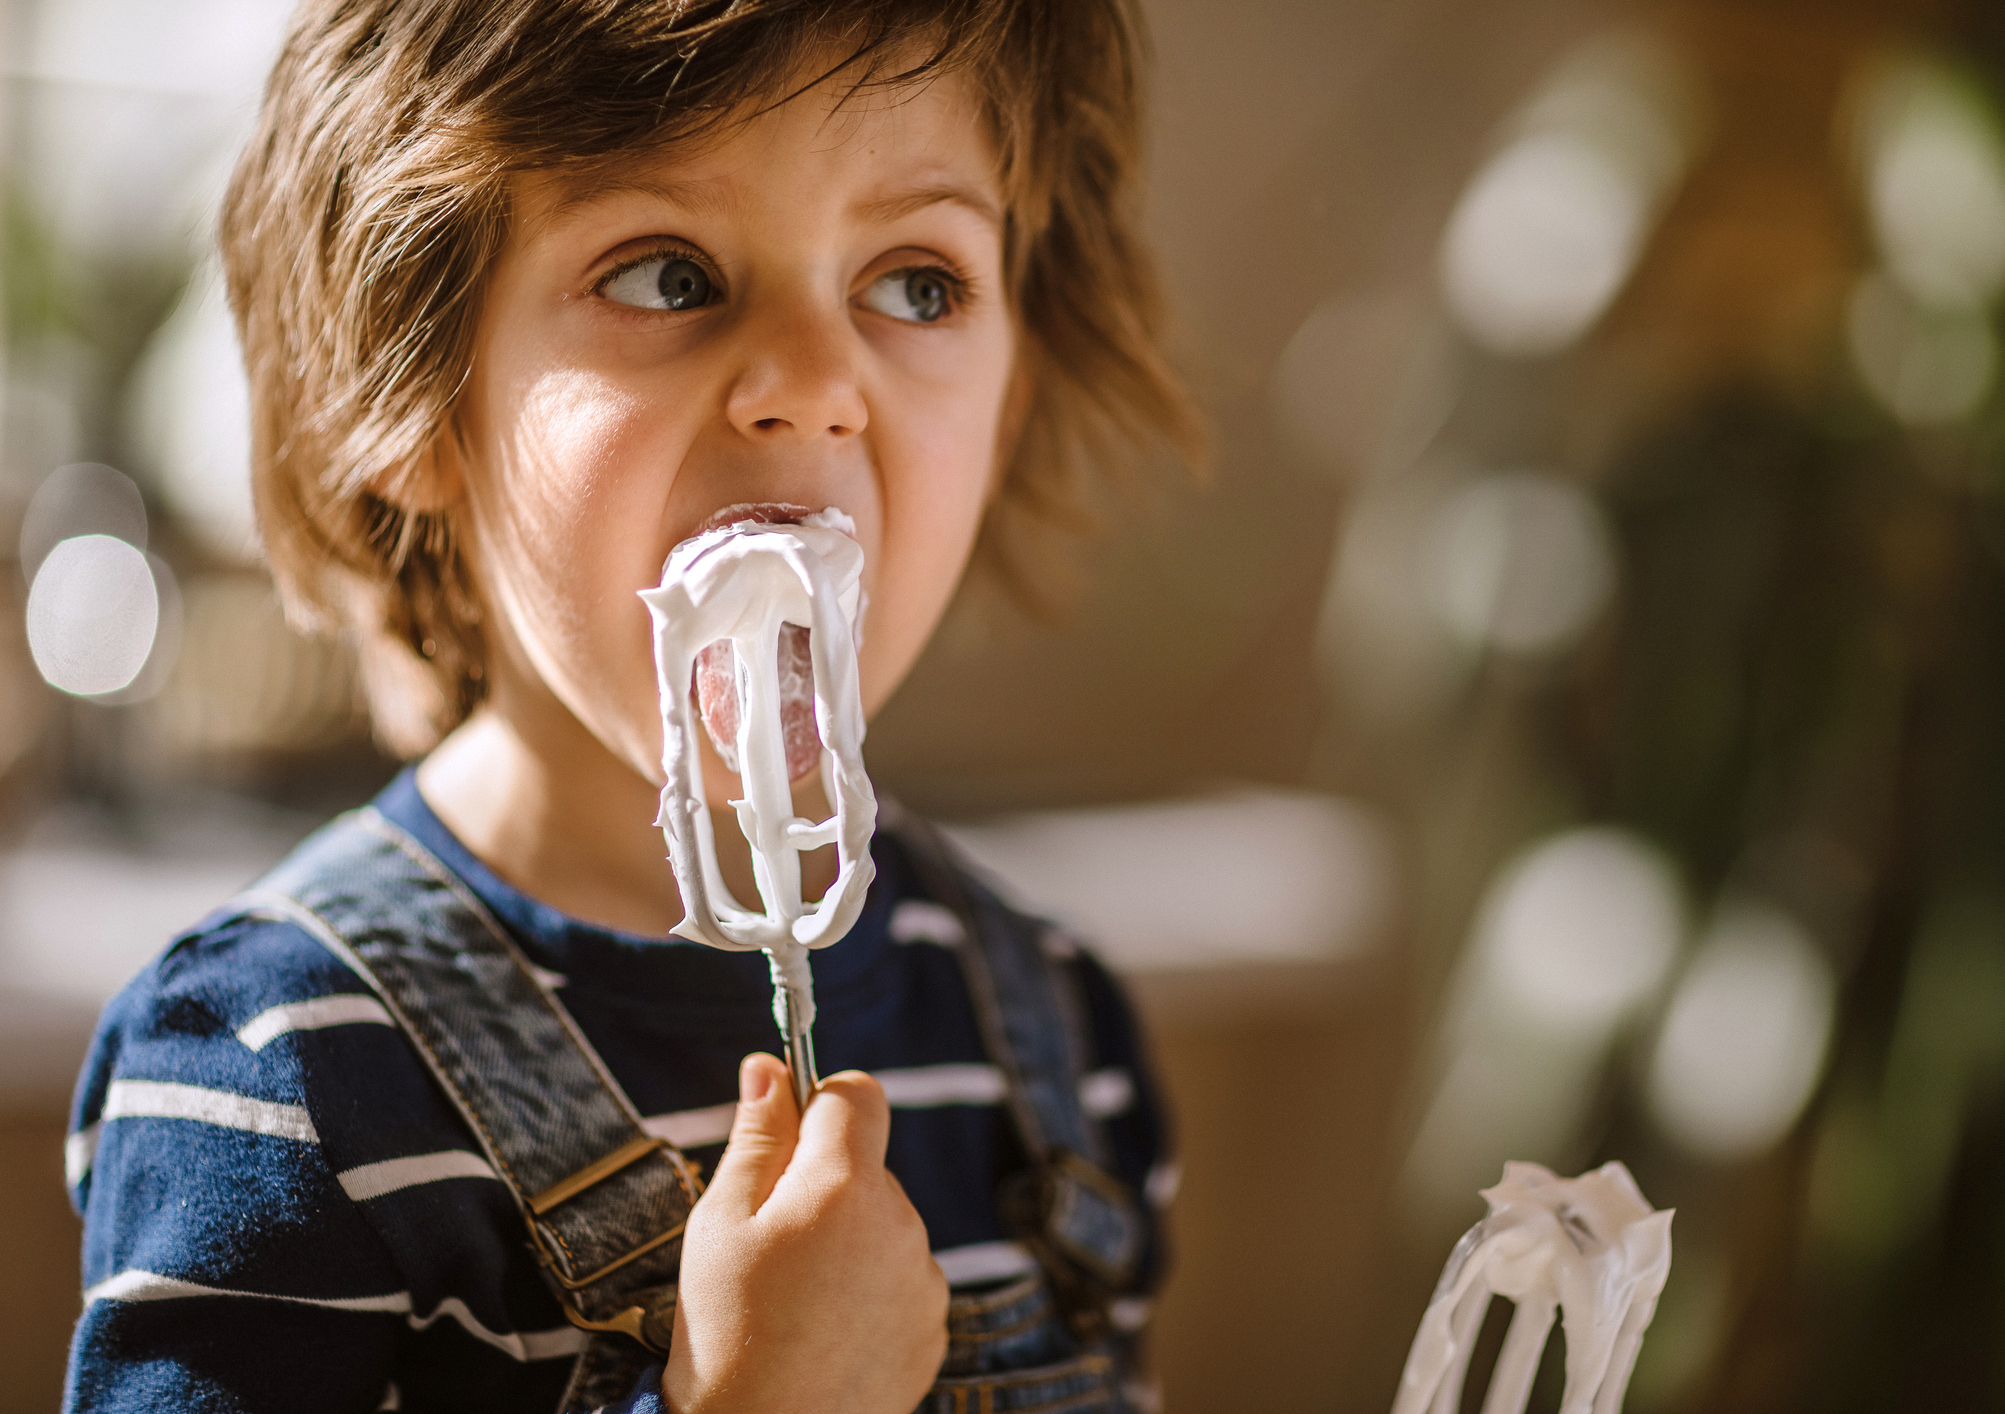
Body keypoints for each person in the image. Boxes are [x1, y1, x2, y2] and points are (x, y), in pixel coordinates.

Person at [61, 2, 1201, 1410]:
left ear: (1009, 397)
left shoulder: (1057, 1030)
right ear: (416, 394)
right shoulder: (277, 1070)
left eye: (915, 284)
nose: (810, 383)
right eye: (667, 273)